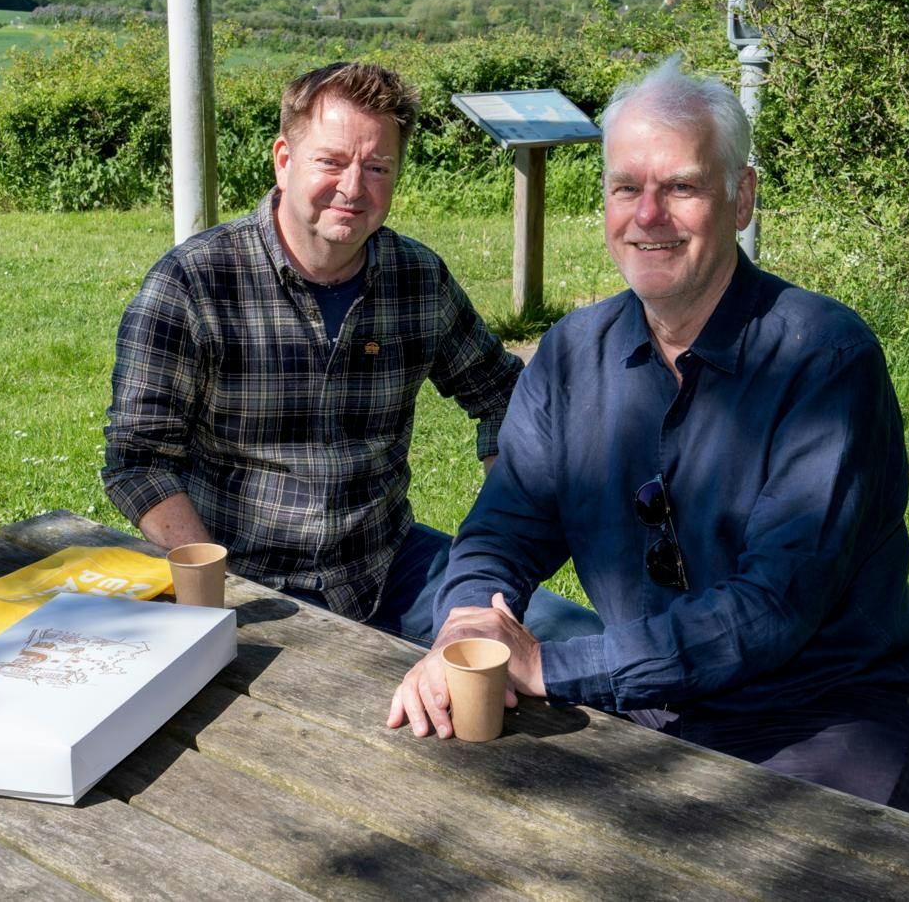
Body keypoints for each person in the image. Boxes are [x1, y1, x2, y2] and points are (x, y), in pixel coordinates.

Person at [388, 57, 909, 815]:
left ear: (740, 198)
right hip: (652, 707)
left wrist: (548, 667)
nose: (647, 215)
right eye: (626, 188)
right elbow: (505, 526)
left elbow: (773, 607)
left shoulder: (824, 359)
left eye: (680, 187)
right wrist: (467, 624)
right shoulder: (572, 355)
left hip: (821, 716)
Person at [102, 61, 599, 646]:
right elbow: (138, 459)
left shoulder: (418, 279)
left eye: (378, 167)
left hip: (389, 565)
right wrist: (213, 584)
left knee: (576, 642)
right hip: (248, 578)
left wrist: (498, 534)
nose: (354, 187)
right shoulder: (194, 283)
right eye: (331, 161)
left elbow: (504, 396)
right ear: (284, 159)